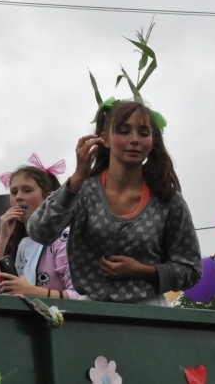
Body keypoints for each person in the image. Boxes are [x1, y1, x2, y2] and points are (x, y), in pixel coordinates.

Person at [27, 100, 201, 304]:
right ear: (105, 140)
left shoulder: (167, 199)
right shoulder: (83, 190)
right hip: (92, 315)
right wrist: (76, 179)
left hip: (149, 316)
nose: (134, 139)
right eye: (124, 131)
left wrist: (144, 270)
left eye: (143, 133)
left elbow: (191, 270)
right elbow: (39, 231)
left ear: (152, 141)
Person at [0, 157, 79, 300]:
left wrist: (30, 290)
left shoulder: (63, 238)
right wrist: (3, 237)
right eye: (14, 192)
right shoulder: (17, 243)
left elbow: (81, 296)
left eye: (27, 190)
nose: (18, 197)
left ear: (48, 198)